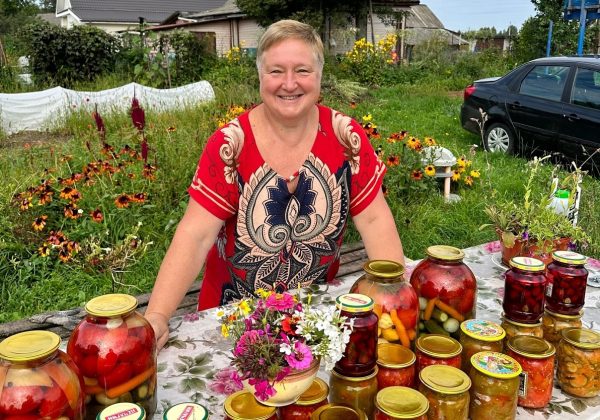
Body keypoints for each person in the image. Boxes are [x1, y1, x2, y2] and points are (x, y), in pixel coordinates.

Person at [145, 19, 405, 349]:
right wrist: (156, 316)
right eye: (276, 71)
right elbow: (195, 236)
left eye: (302, 71)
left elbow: (374, 219)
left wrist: (397, 298)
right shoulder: (230, 145)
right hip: (232, 323)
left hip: (314, 318)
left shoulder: (346, 137)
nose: (289, 83)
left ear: (320, 76)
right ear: (260, 77)